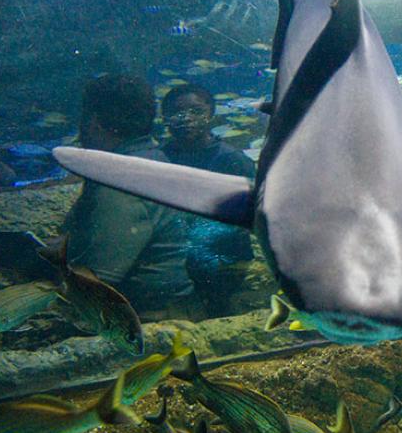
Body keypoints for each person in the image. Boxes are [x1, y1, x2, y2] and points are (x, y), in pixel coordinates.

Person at [62, 73, 193, 318]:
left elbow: (100, 275)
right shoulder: (156, 159)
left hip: (146, 319)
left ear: (94, 122)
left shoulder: (119, 180)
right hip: (175, 307)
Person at [160, 83, 256, 316]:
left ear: (210, 114)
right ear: (165, 118)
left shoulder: (232, 160)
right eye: (177, 112)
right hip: (173, 264)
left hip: (227, 263)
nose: (186, 118)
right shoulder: (159, 159)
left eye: (195, 111)